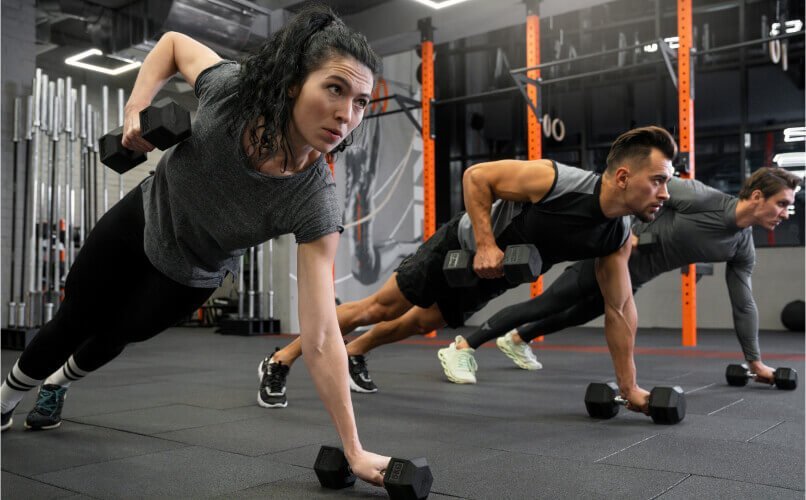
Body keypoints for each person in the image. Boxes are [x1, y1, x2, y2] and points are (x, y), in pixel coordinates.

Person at [0, 5, 391, 486]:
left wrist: (354, 448)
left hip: (190, 273)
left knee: (117, 334)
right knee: (74, 318)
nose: (346, 114)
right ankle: (6, 400)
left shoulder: (314, 202)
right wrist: (134, 110)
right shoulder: (231, 91)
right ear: (294, 83)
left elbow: (324, 334)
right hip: (142, 216)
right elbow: (171, 44)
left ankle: (57, 385)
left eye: (361, 102)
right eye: (335, 88)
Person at [258, 126, 677, 415]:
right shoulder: (556, 181)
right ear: (624, 177)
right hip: (459, 246)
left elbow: (620, 310)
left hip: (496, 274)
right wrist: (486, 244)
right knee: (380, 308)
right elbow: (478, 177)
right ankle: (280, 360)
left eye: (667, 183)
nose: (665, 193)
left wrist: (629, 387)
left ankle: (355, 352)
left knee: (421, 323)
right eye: (658, 180)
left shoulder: (616, 237)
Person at [440, 166, 801, 384]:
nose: (787, 213)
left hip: (635, 277)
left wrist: (754, 360)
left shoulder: (741, 247)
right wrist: (628, 230)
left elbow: (744, 304)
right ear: (757, 196)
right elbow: (634, 190)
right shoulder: (702, 198)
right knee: (549, 303)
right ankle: (461, 347)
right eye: (782, 203)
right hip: (610, 257)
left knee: (576, 315)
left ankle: (518, 339)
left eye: (790, 206)